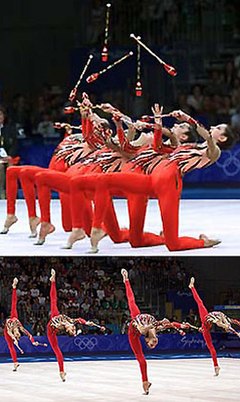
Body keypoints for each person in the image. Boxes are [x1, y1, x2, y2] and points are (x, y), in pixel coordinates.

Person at [121, 268, 193, 395]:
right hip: (144, 323)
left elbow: (143, 328)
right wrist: (181, 325)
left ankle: (144, 382)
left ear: (147, 340)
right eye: (155, 344)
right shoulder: (157, 328)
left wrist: (155, 324)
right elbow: (170, 324)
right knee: (132, 302)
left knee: (131, 301)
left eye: (151, 344)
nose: (154, 343)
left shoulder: (144, 331)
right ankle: (146, 383)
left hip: (133, 331)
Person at [47, 268, 105, 381]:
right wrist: (88, 323)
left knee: (57, 351)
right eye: (74, 329)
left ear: (67, 330)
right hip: (58, 318)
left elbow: (67, 323)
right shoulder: (70, 322)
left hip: (51, 328)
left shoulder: (59, 325)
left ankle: (61, 371)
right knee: (54, 300)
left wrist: (59, 324)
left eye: (72, 330)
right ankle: (52, 280)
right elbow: (78, 319)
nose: (74, 328)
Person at [189, 277, 240, 376]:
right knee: (200, 303)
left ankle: (216, 366)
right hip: (207, 319)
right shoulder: (221, 321)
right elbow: (225, 324)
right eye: (226, 328)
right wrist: (236, 332)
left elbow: (234, 322)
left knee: (211, 347)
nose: (225, 329)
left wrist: (237, 331)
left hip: (207, 322)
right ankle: (192, 287)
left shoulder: (227, 320)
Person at [4, 277, 42, 371]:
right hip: (14, 319)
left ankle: (15, 362)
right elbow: (28, 334)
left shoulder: (10, 326)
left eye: (17, 335)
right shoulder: (19, 326)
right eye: (18, 335)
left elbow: (9, 332)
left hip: (7, 331)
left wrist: (13, 338)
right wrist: (33, 341)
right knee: (14, 305)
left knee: (10, 346)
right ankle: (14, 287)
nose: (18, 334)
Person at [0, 105, 18, 199]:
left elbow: (15, 144)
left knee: (11, 168)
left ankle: (11, 194)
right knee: (0, 166)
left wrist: (10, 155)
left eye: (0, 115)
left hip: (8, 157)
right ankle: (1, 193)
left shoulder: (9, 129)